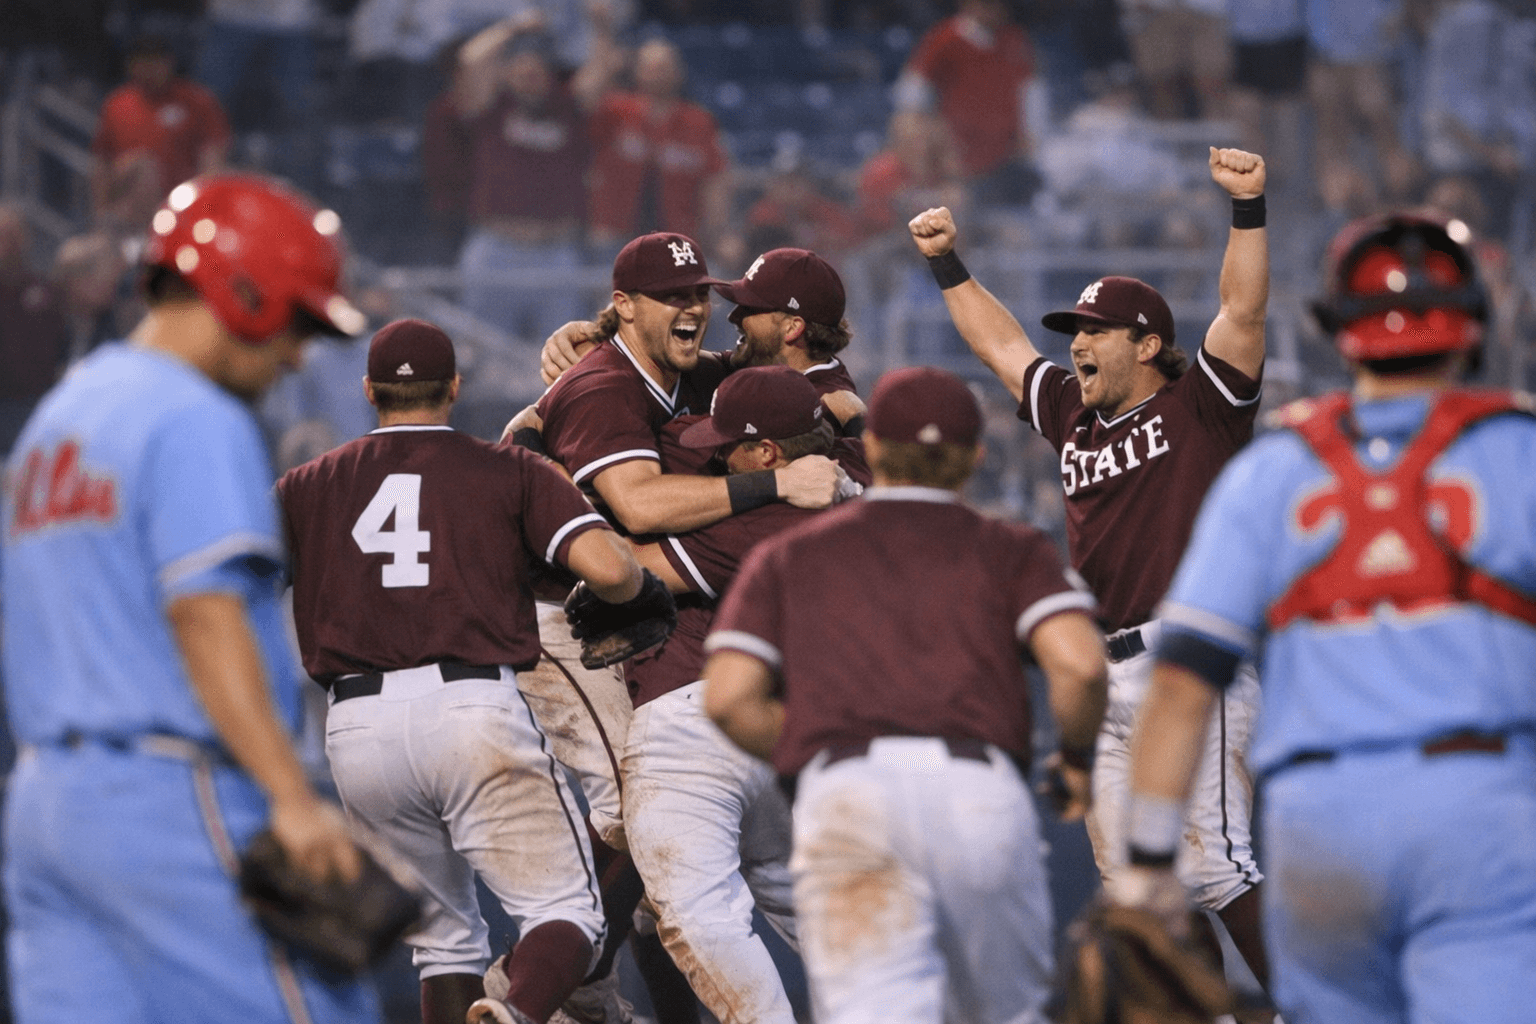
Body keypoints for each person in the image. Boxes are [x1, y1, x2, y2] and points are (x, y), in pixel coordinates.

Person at [1117, 212, 1536, 1024]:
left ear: (1339, 333)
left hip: (1320, 823)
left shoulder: (1276, 466)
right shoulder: (1517, 452)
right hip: (1478, 805)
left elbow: (1181, 680)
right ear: (1474, 327)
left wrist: (1144, 868)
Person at [0, 173, 380, 1024]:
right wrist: (290, 795)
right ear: (240, 293)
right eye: (295, 322)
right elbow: (204, 615)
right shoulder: (193, 416)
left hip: (43, 807)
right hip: (173, 798)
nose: (296, 355)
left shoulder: (60, 417)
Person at [907, 147, 1274, 991]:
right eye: (1073, 334)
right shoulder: (1073, 414)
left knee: (1216, 869)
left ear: (1147, 344)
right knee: (1142, 893)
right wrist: (945, 263)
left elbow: (1243, 313)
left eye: (1093, 332)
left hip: (1190, 661)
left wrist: (1248, 207)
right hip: (1104, 678)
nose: (1076, 345)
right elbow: (1001, 346)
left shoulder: (1202, 406)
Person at [277, 317, 664, 1024]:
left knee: (443, 945)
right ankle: (512, 1017)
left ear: (368, 391)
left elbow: (230, 593)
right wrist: (639, 596)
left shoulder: (305, 485)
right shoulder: (506, 468)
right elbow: (610, 569)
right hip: (469, 707)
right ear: (455, 388)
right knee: (570, 915)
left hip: (356, 729)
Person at [701, 365, 1110, 1024]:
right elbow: (1082, 667)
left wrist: (813, 748)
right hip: (977, 788)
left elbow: (727, 697)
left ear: (877, 451)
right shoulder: (1010, 547)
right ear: (977, 456)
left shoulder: (794, 553)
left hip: (849, 792)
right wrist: (1079, 759)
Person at [610, 366, 843, 1024]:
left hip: (698, 724)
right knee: (842, 932)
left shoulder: (755, 514)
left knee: (697, 914)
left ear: (769, 454)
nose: (717, 457)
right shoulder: (856, 494)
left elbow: (619, 567)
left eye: (731, 446)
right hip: (809, 738)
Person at [449, 16, 591, 343]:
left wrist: (598, 23)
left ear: (549, 76)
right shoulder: (490, 107)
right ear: (507, 73)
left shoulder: (567, 107)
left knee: (565, 356)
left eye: (537, 70)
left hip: (556, 251)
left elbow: (599, 75)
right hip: (496, 248)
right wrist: (512, 27)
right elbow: (470, 59)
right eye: (521, 69)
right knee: (485, 351)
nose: (529, 76)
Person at [584, 39, 735, 260]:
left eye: (664, 68)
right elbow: (584, 97)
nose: (657, 75)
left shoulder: (698, 121)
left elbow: (714, 179)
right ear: (637, 72)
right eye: (650, 68)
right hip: (615, 234)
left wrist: (718, 232)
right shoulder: (616, 110)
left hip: (676, 238)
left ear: (678, 73)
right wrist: (605, 47)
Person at [894, 0, 1039, 207]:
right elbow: (912, 93)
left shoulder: (1014, 40)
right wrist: (920, 129)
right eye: (986, 5)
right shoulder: (946, 37)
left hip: (1004, 156)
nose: (994, 11)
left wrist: (1030, 135)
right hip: (959, 153)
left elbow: (1030, 95)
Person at [91, 34, 230, 231]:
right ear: (131, 66)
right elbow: (101, 165)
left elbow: (212, 162)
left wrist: (204, 212)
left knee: (145, 166)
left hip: (182, 204)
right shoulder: (117, 104)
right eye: (143, 63)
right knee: (71, 256)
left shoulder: (196, 102)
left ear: (169, 63)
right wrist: (100, 215)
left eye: (155, 63)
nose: (149, 70)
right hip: (128, 203)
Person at [0, 203, 70, 458]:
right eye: (4, 237)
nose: (10, 244)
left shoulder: (43, 290)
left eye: (14, 235)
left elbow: (62, 340)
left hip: (40, 401)